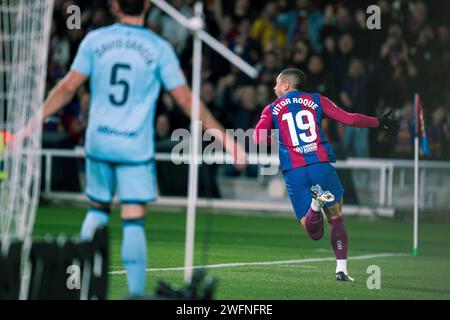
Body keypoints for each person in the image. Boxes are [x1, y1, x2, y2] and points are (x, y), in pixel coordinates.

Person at [17, 0, 246, 297]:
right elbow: (187, 100)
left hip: (99, 141)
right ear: (148, 5)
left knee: (97, 210)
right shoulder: (158, 47)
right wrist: (228, 140)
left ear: (113, 5)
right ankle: (135, 294)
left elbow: (67, 88)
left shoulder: (95, 39)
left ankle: (82, 287)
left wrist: (30, 125)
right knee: (133, 219)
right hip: (133, 147)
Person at [253, 68, 399, 281]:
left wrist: (279, 143)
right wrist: (378, 122)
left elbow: (258, 138)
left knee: (314, 232)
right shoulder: (317, 100)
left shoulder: (272, 108)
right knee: (336, 217)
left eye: (277, 83)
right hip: (320, 165)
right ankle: (341, 269)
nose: (274, 88)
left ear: (286, 85)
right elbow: (349, 119)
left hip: (294, 172)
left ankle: (314, 206)